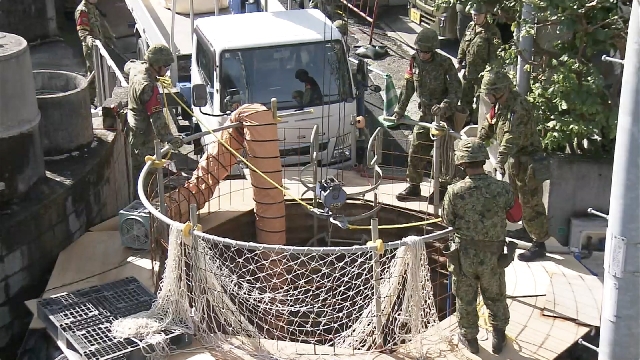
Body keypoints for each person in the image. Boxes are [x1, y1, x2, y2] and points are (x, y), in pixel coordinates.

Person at [442, 138, 520, 355]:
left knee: (466, 299)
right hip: (493, 256)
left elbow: (448, 221)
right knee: (495, 296)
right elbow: (515, 216)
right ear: (483, 160)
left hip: (464, 255)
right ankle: (498, 337)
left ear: (462, 164)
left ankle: (471, 340)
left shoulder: (455, 191)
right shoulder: (503, 189)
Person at [477, 69, 551, 262]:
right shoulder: (500, 104)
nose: (487, 96)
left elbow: (512, 137)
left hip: (529, 162)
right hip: (515, 160)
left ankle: (539, 244)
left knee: (531, 202)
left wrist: (500, 159)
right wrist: (478, 143)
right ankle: (527, 231)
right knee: (515, 198)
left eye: (489, 92)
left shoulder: (518, 107)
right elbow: (489, 123)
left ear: (500, 90)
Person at [394, 28, 462, 201]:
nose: (422, 55)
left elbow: (456, 89)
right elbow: (408, 86)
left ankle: (441, 190)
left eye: (426, 52)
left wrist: (444, 106)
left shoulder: (445, 63)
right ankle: (414, 186)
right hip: (425, 116)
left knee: (442, 155)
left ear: (433, 50)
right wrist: (400, 109)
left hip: (443, 117)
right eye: (420, 51)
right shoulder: (414, 60)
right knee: (416, 150)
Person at [126, 44, 184, 195]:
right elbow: (157, 119)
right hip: (143, 138)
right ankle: (147, 205)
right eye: (166, 66)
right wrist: (171, 139)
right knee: (147, 174)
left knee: (136, 171)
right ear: (157, 66)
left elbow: (128, 65)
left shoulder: (137, 69)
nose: (167, 70)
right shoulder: (149, 87)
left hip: (133, 129)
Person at [457, 3, 502, 125]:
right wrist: (460, 60)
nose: (475, 18)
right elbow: (463, 44)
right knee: (465, 97)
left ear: (484, 15)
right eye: (473, 15)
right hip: (468, 71)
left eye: (477, 15)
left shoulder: (492, 32)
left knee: (479, 101)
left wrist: (491, 74)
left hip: (481, 74)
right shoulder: (471, 27)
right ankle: (465, 121)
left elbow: (495, 56)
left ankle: (476, 124)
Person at [75, 0, 116, 105]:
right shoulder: (82, 10)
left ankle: (92, 100)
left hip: (99, 46)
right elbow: (83, 32)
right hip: (91, 49)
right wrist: (91, 41)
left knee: (101, 73)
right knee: (94, 75)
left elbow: (99, 25)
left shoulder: (92, 8)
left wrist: (108, 37)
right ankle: (86, 101)